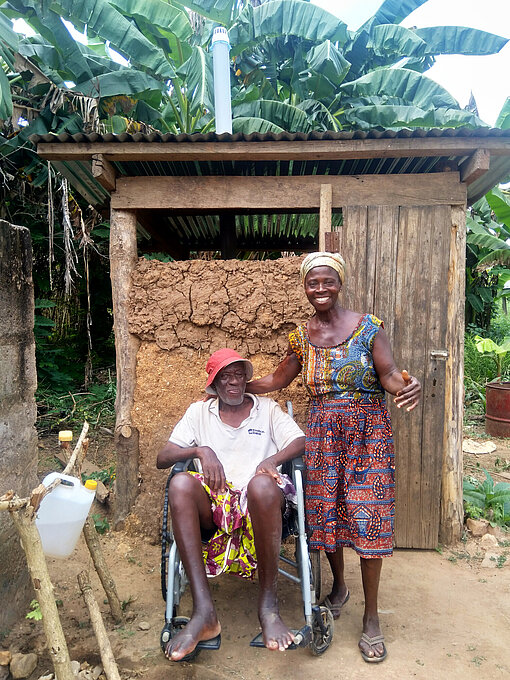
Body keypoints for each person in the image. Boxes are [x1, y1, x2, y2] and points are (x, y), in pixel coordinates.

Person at [246, 252, 421, 663]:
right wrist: (230, 385)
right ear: (305, 287)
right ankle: (339, 586)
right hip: (322, 435)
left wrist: (404, 387)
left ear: (339, 284)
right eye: (312, 283)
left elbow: (390, 373)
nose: (319, 289)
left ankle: (372, 617)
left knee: (370, 517)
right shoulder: (300, 338)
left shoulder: (368, 327)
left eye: (327, 282)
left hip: (368, 435)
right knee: (328, 513)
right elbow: (276, 379)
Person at [156, 348, 305, 661]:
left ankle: (268, 610)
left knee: (261, 484)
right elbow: (163, 457)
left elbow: (299, 441)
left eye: (239, 374)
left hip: (261, 506)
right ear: (214, 383)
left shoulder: (266, 409)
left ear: (246, 379)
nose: (233, 381)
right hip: (215, 507)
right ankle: (204, 613)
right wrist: (200, 451)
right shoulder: (199, 413)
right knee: (181, 483)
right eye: (225, 376)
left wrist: (272, 459)